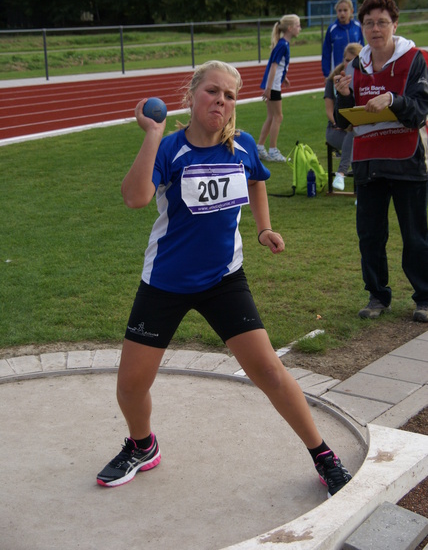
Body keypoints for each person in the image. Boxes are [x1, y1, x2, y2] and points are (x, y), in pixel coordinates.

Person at [96, 60, 352, 497]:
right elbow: (135, 198)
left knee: (269, 371)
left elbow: (256, 182)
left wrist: (263, 228)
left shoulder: (243, 146)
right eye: (212, 91)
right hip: (166, 282)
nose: (221, 101)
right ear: (192, 95)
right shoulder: (170, 147)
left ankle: (324, 456)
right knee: (130, 386)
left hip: (223, 280)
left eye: (230, 95)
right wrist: (152, 135)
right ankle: (142, 445)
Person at [334, 0, 428, 322]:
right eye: (370, 23)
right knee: (370, 235)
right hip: (368, 161)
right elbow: (344, 121)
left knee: (415, 234)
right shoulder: (354, 65)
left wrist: (392, 99)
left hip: (407, 159)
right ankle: (377, 296)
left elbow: (418, 112)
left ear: (395, 24)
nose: (376, 28)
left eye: (383, 22)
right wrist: (343, 97)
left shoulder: (416, 59)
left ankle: (425, 298)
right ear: (362, 28)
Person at [257, 14, 301, 162]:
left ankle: (260, 148)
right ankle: (273, 150)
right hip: (273, 87)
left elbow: (279, 66)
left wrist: (284, 78)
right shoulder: (282, 45)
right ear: (290, 28)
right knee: (278, 116)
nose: (299, 28)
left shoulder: (283, 44)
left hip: (274, 84)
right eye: (298, 25)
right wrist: (269, 88)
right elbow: (273, 66)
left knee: (271, 117)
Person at [324, 42, 362, 190]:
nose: (349, 63)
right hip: (335, 130)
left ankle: (342, 174)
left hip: (357, 129)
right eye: (347, 60)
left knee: (356, 135)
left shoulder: (363, 78)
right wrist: (341, 124)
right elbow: (329, 111)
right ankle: (342, 174)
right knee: (353, 136)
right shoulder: (332, 80)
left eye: (354, 60)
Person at [321, 0, 365, 80]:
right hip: (339, 71)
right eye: (339, 10)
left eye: (345, 10)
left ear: (351, 11)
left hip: (356, 71)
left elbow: (363, 48)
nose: (342, 13)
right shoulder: (332, 29)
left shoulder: (357, 27)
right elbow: (326, 52)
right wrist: (327, 73)